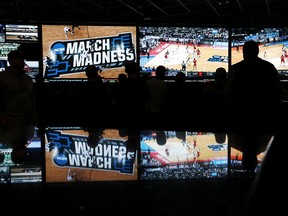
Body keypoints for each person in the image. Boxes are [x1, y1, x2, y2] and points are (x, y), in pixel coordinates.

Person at [225, 40, 283, 173]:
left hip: (240, 120)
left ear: (243, 52)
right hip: (264, 119)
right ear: (258, 52)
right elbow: (277, 93)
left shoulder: (235, 69)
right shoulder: (269, 68)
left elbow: (227, 97)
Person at [0, 49, 37, 124]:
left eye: (22, 59)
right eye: (18, 59)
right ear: (10, 61)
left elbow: (33, 100)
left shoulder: (28, 79)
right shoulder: (2, 77)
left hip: (27, 122)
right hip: (9, 122)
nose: (21, 61)